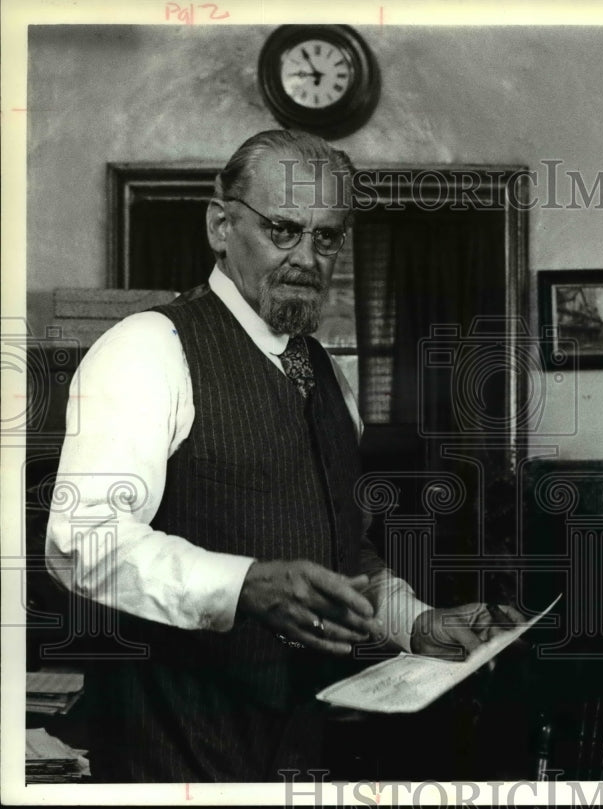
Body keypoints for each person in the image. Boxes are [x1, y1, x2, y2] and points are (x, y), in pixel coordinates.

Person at [45, 129, 518, 782]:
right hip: (178, 759)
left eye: (327, 236)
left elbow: (343, 554)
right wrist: (242, 584)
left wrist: (421, 623)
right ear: (221, 224)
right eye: (284, 229)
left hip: (302, 756)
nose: (306, 257)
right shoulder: (148, 347)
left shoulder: (327, 376)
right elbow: (81, 540)